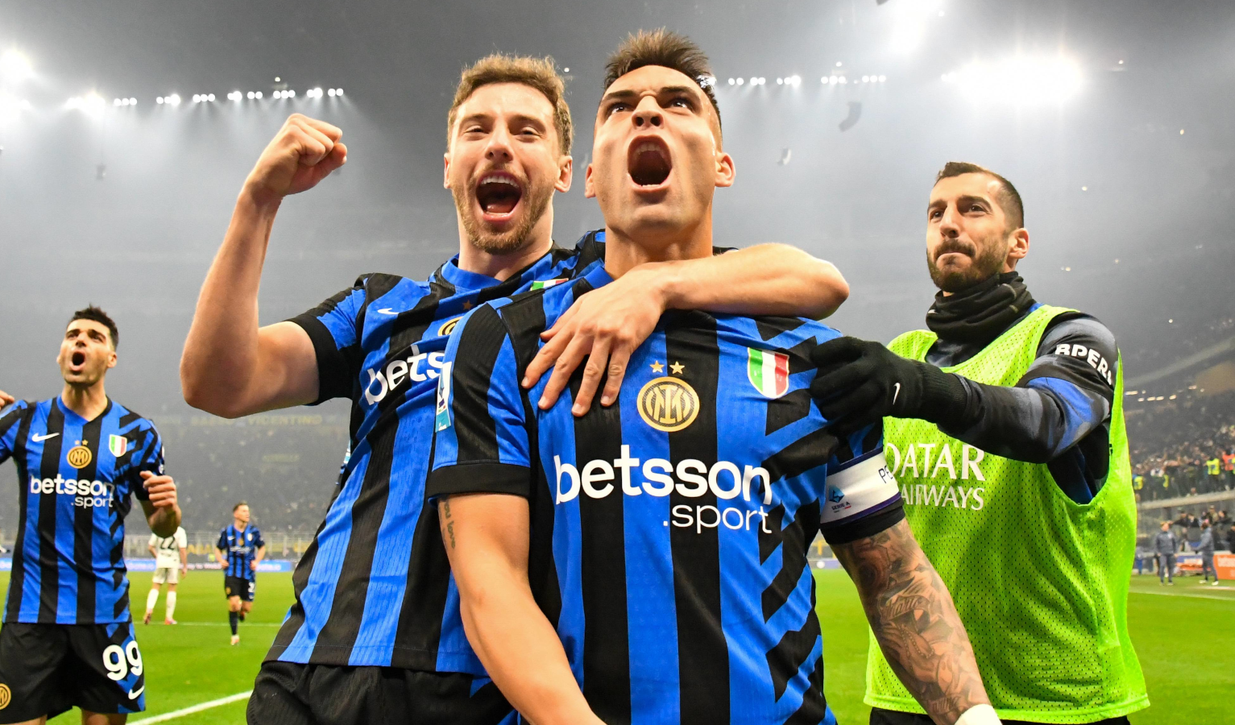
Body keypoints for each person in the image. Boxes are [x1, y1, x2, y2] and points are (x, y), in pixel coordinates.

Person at [181, 54, 850, 725]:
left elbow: (811, 279)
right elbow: (217, 382)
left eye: (527, 131)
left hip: (481, 683)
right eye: (477, 129)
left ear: (566, 172)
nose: (499, 143)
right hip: (316, 660)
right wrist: (257, 202)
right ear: (449, 166)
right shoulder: (380, 306)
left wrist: (657, 283)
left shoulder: (595, 286)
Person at [430, 30, 1000, 725]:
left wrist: (975, 717)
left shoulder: (815, 358)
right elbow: (490, 585)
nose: (647, 112)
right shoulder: (503, 341)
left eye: (679, 103)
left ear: (723, 165)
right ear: (590, 175)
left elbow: (895, 576)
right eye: (619, 107)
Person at [806, 162, 1147, 724]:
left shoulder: (1073, 336)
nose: (948, 223)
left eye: (972, 209)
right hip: (908, 689)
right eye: (936, 213)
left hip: (1054, 695)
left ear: (1018, 244)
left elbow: (1049, 421)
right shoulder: (904, 354)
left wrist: (922, 389)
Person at [0, 306, 181, 725]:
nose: (81, 340)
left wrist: (170, 510)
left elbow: (161, 524)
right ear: (61, 353)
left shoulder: (138, 433)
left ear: (111, 358)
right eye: (73, 334)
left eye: (95, 336)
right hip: (31, 616)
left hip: (105, 616)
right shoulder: (23, 420)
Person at [216, 502, 264, 646]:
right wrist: (221, 560)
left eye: (247, 511)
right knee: (233, 604)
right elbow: (218, 548)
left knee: (246, 608)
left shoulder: (253, 532)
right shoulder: (227, 532)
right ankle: (234, 635)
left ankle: (242, 611)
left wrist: (257, 561)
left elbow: (262, 547)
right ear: (236, 514)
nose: (247, 513)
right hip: (231, 573)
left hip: (249, 575)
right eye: (243, 511)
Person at [144, 525, 188, 625]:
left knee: (156, 585)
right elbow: (182, 550)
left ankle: (149, 609)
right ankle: (169, 618)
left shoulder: (159, 528)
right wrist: (185, 566)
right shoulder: (180, 531)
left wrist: (157, 557)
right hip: (173, 559)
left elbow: (150, 547)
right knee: (172, 587)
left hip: (161, 559)